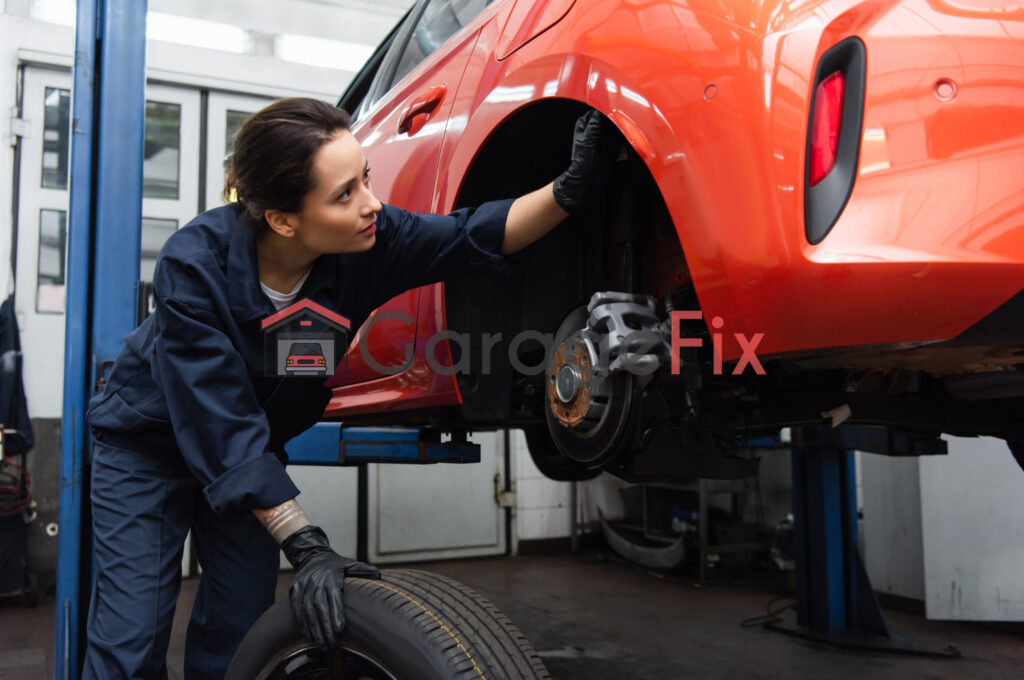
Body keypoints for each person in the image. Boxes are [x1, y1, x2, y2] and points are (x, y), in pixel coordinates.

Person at [82, 97, 615, 679]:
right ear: (283, 220)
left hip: (252, 454)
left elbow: (469, 235)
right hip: (150, 450)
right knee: (130, 643)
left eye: (365, 179)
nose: (372, 205)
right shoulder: (193, 268)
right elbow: (219, 422)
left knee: (239, 632)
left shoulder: (368, 245)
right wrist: (305, 543)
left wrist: (567, 191)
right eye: (344, 195)